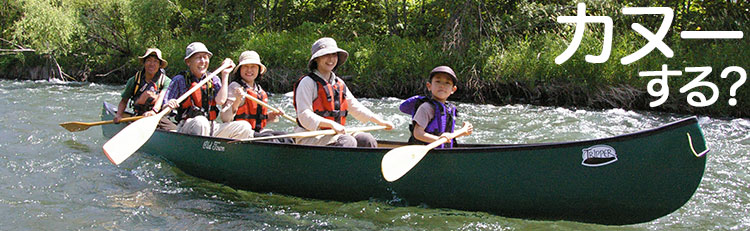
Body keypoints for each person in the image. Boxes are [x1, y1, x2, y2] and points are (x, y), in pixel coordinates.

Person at [293, 37, 394, 147]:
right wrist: (331, 124)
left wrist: (381, 122)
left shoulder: (338, 83)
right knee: (347, 141)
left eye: (334, 55)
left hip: (335, 134)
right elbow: (304, 115)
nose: (331, 59)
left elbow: (356, 107)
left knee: (366, 139)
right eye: (326, 55)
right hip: (311, 136)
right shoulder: (307, 82)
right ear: (316, 59)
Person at [162, 42, 253, 139]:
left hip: (211, 126)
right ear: (188, 62)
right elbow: (165, 107)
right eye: (198, 57)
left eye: (205, 57)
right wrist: (169, 104)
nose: (203, 61)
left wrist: (225, 75)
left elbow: (220, 101)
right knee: (201, 122)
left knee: (244, 127)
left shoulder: (214, 79)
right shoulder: (179, 80)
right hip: (187, 126)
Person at [220, 50, 293, 143]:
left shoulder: (259, 90)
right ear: (240, 69)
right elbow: (226, 118)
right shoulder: (235, 87)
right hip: (241, 132)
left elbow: (258, 120)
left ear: (258, 69)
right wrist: (237, 100)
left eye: (253, 67)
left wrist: (272, 115)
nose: (249, 70)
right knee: (270, 139)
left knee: (286, 137)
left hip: (256, 131)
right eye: (245, 66)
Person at [399, 66, 473, 148]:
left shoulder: (450, 109)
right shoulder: (426, 108)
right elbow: (418, 133)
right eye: (438, 81)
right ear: (429, 86)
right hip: (427, 153)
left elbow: (445, 134)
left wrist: (463, 132)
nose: (442, 86)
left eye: (447, 83)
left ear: (453, 89)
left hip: (443, 153)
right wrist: (438, 139)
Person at [114, 48, 176, 131]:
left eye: (155, 61)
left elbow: (162, 97)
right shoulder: (134, 80)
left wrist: (154, 111)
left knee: (175, 130)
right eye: (149, 60)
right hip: (139, 116)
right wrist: (118, 115)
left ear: (159, 65)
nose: (152, 64)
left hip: (158, 116)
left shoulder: (166, 81)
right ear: (144, 63)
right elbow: (124, 101)